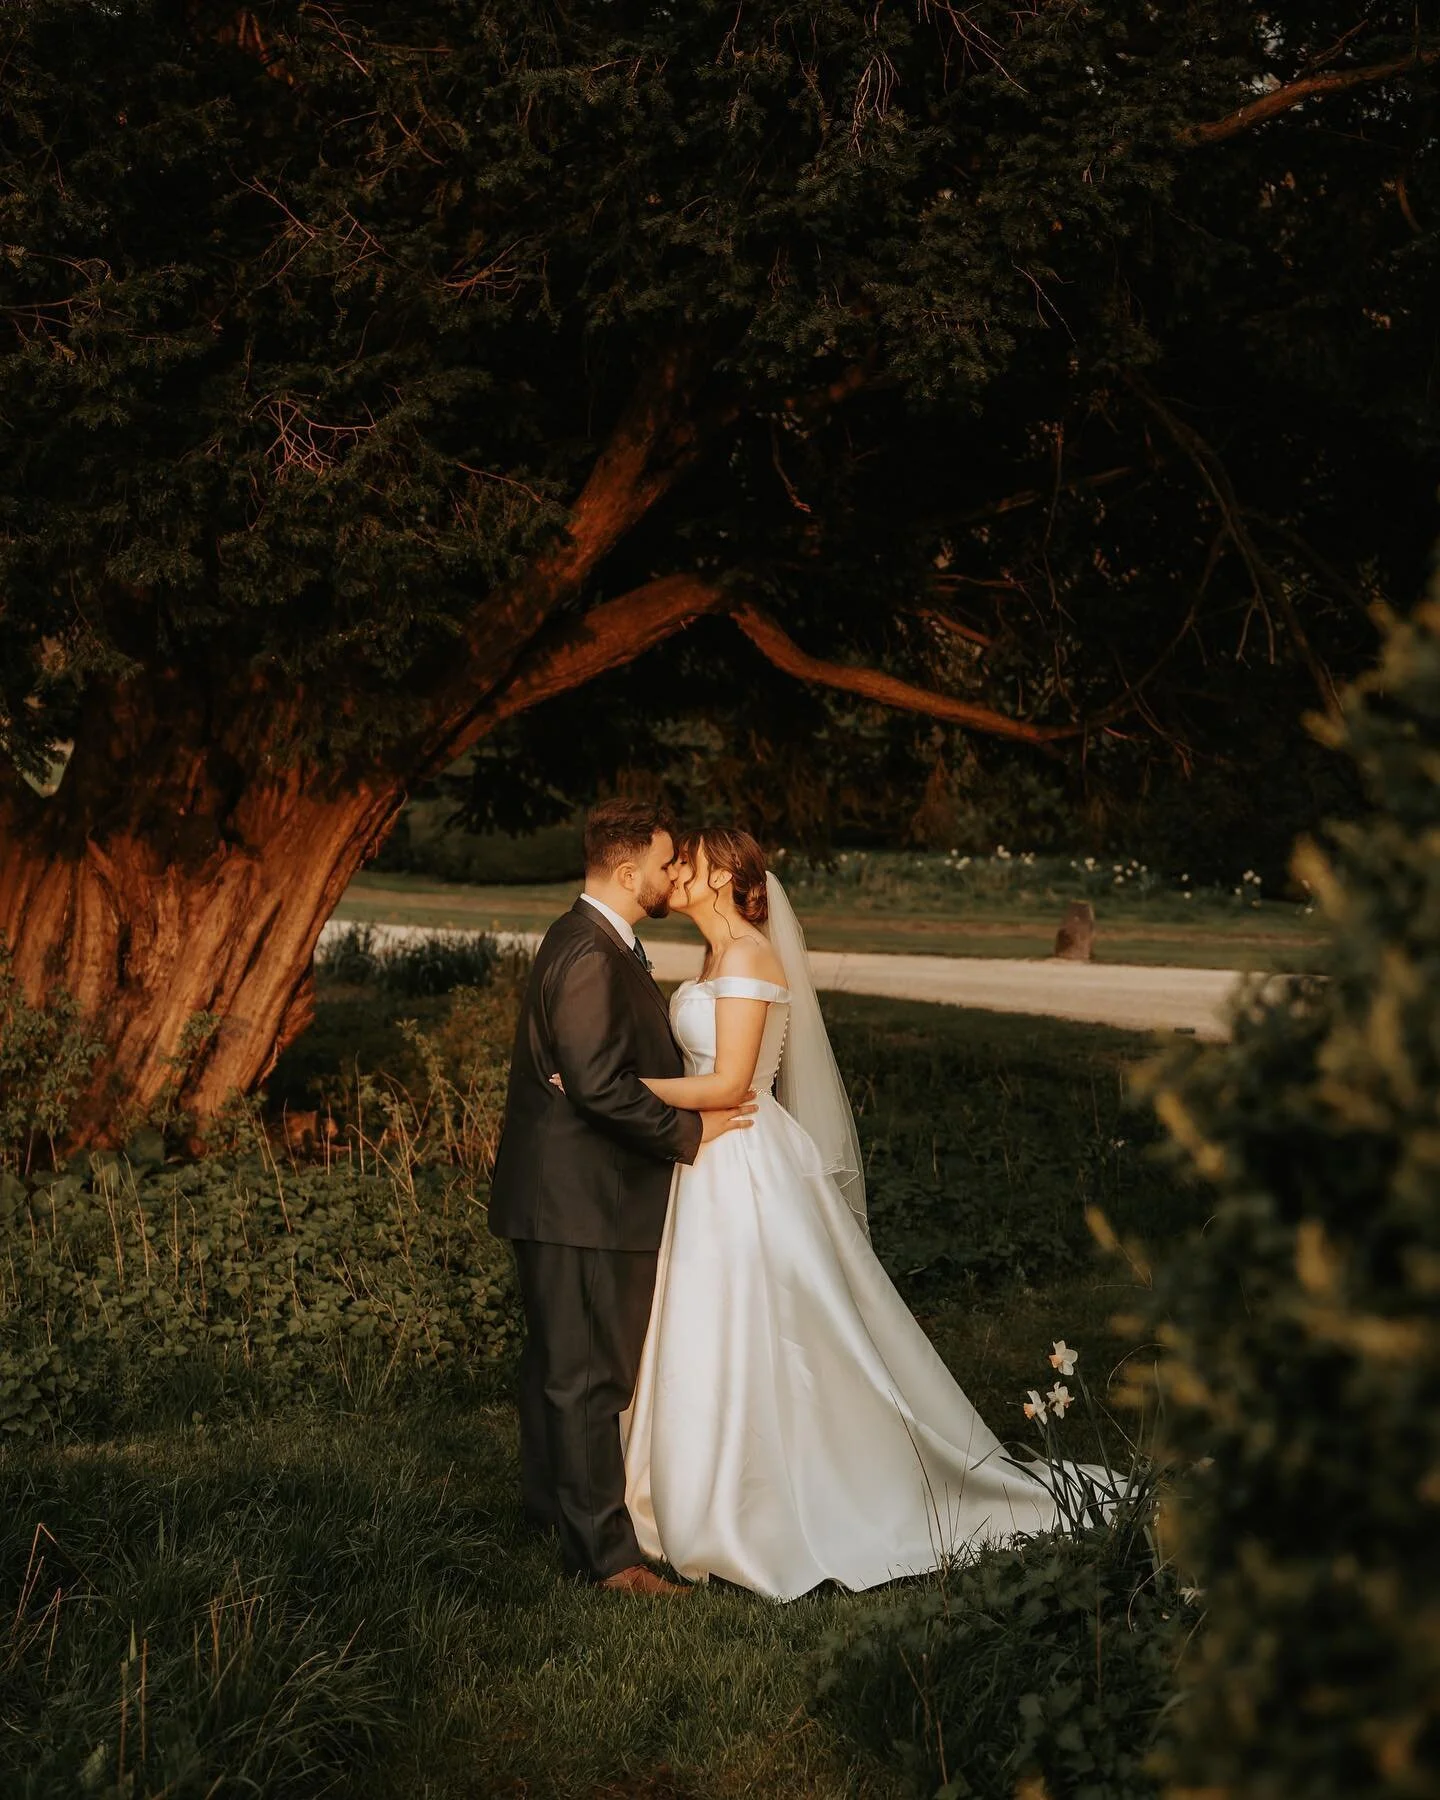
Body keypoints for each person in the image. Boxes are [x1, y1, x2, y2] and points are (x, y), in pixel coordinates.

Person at [620, 827, 1080, 1600]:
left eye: (688, 862)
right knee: (707, 1322)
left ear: (725, 877)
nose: (676, 873)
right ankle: (696, 1480)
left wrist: (618, 1089)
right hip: (706, 1162)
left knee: (764, 1323)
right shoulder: (712, 957)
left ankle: (764, 1496)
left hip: (742, 1161)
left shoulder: (749, 958)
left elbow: (732, 1082)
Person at [488, 800, 755, 1595]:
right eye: (668, 862)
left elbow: (599, 1074)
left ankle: (555, 1513)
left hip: (572, 1197)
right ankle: (607, 1561)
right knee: (585, 1377)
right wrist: (689, 1135)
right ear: (628, 868)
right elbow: (598, 1086)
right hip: (578, 1201)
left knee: (561, 1369)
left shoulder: (602, 941)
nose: (675, 874)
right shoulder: (589, 952)